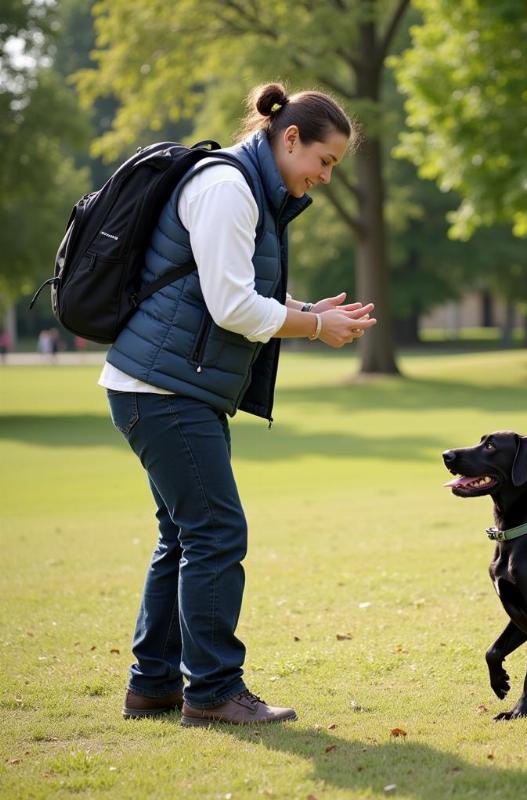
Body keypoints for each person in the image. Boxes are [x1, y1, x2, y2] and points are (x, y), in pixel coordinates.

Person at [100, 82, 376, 727]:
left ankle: (154, 685)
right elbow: (231, 307)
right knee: (217, 533)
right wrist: (311, 328)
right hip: (165, 391)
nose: (326, 176)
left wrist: (310, 311)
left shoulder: (250, 190)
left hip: (169, 387)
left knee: (183, 535)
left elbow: (227, 293)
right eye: (324, 160)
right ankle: (215, 692)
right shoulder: (227, 188)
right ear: (289, 139)